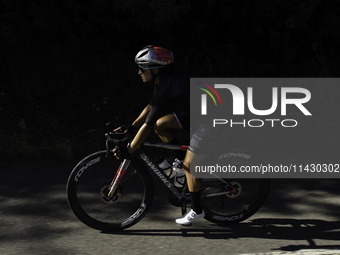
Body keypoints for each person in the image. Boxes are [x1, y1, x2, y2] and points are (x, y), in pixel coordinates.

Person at [113, 45, 205, 225]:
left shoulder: (167, 85)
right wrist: (131, 126)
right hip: (196, 115)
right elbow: (150, 108)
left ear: (155, 69)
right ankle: (180, 163)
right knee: (160, 124)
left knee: (190, 167)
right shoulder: (162, 81)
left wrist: (130, 149)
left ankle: (197, 209)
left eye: (142, 68)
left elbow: (146, 127)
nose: (139, 72)